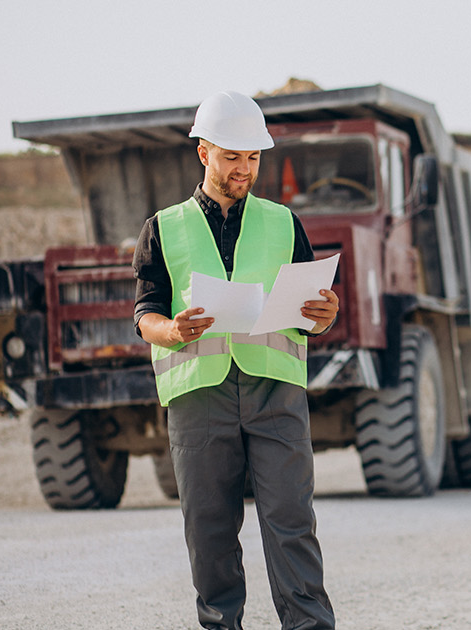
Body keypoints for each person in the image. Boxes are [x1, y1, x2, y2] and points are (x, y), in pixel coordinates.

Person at [131, 90, 341, 630]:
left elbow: (311, 314)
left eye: (252, 157)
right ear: (204, 153)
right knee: (210, 529)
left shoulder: (283, 223)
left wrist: (325, 315)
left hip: (276, 391)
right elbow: (145, 312)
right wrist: (171, 330)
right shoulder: (164, 228)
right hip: (200, 396)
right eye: (232, 157)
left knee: (291, 520)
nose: (243, 169)